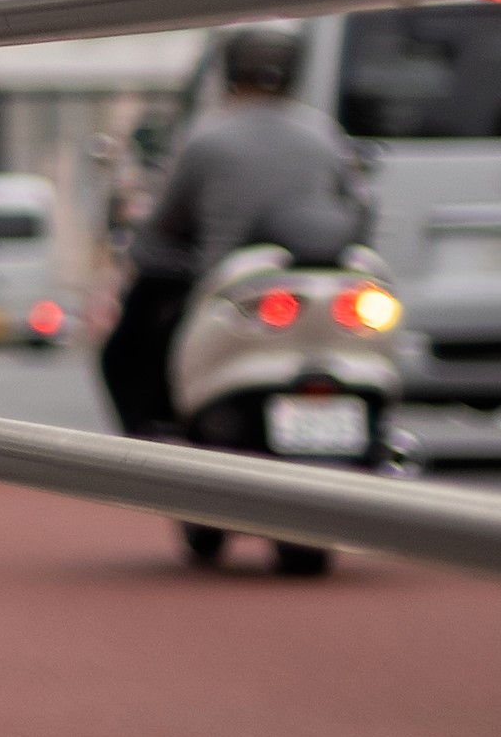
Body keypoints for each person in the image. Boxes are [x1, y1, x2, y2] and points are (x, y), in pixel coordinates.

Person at [110, 27, 366, 442]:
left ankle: (151, 445)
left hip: (230, 295)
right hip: (322, 290)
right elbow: (358, 211)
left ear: (229, 72)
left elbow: (162, 230)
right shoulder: (323, 135)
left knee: (125, 350)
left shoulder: (207, 138)